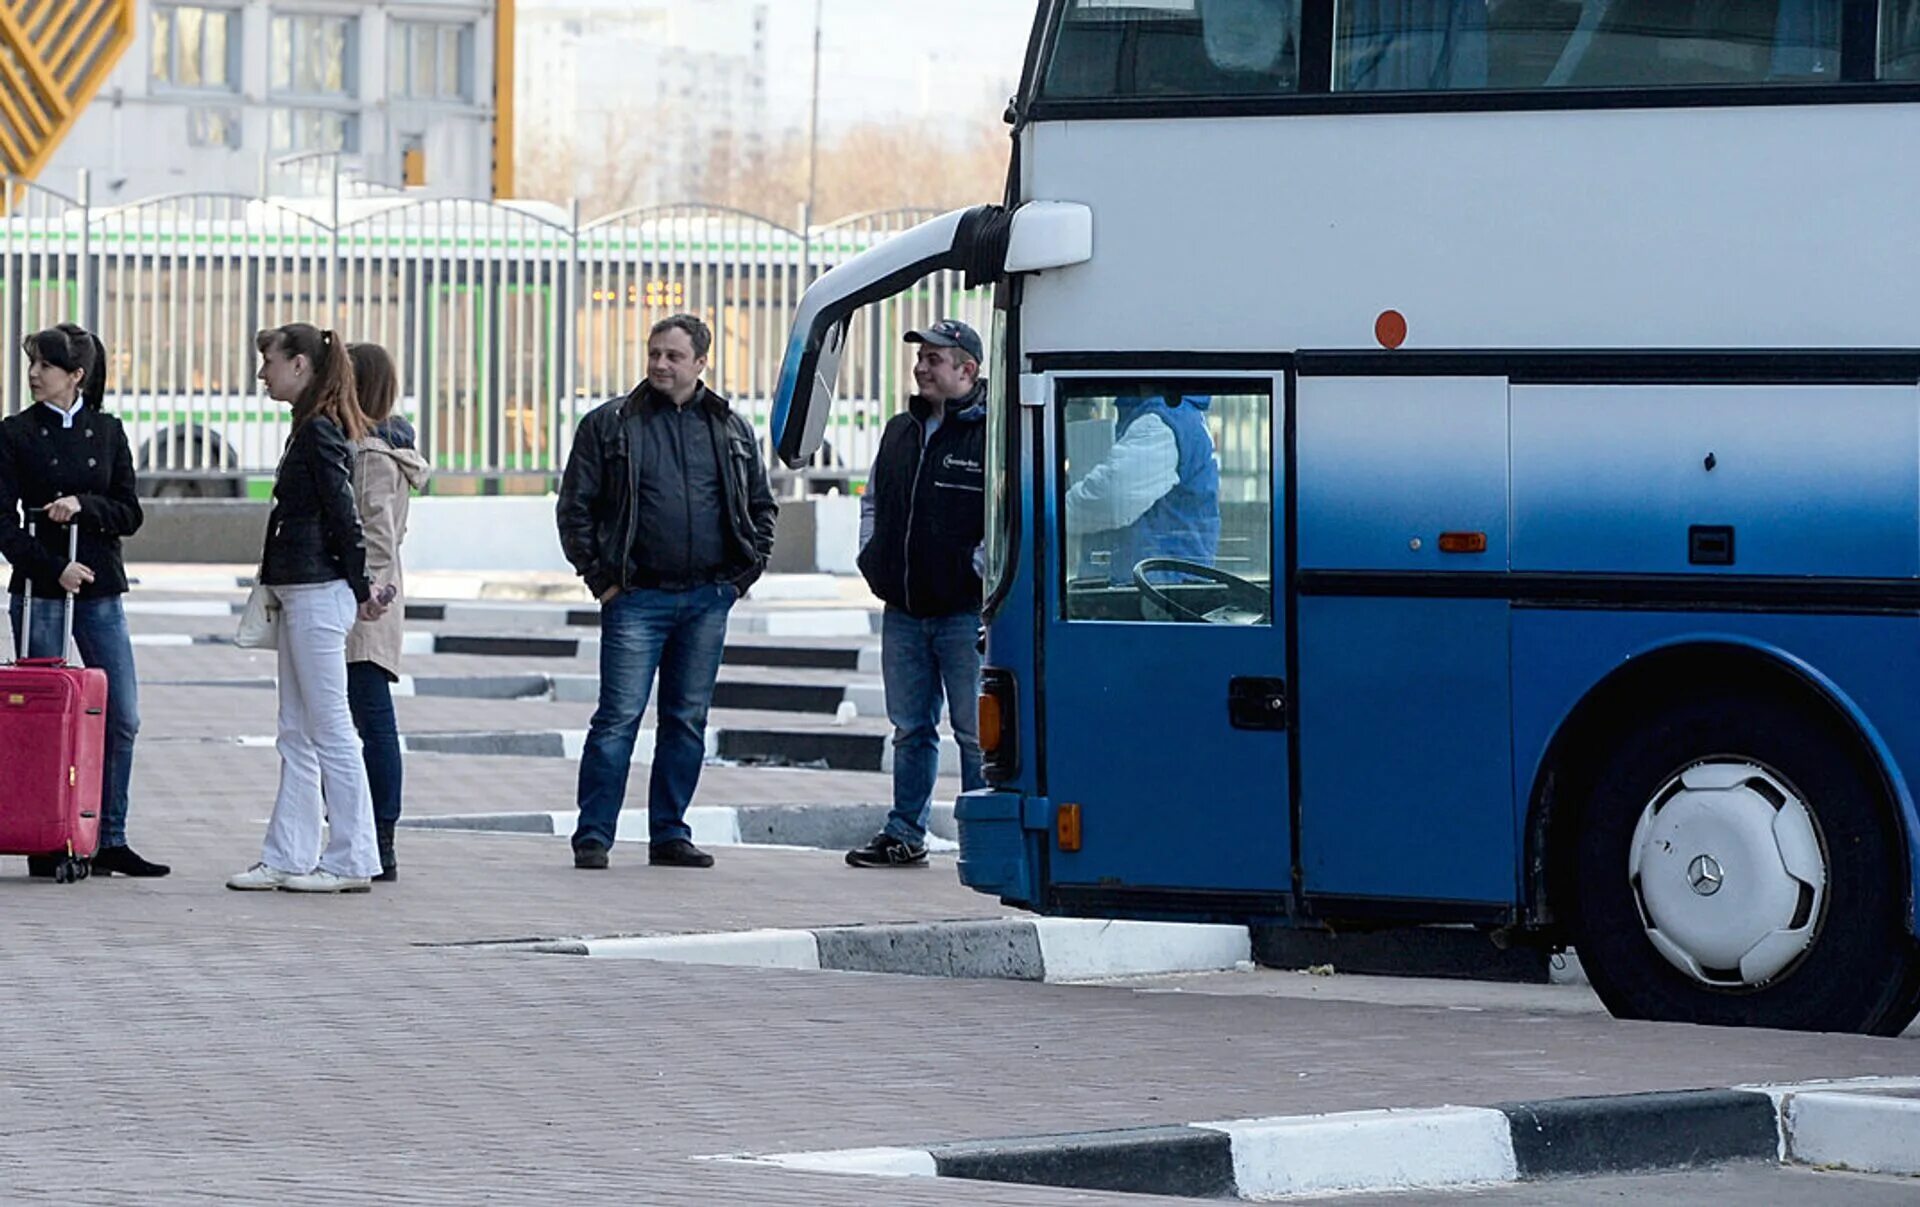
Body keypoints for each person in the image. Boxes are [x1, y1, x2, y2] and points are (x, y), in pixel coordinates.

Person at [556, 314, 777, 871]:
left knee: (686, 720)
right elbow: (574, 510)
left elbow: (760, 507)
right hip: (636, 598)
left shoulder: (729, 427)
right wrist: (602, 581)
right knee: (618, 718)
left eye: (673, 356)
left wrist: (739, 580)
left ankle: (670, 833)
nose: (660, 364)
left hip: (707, 599)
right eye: (654, 353)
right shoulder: (610, 424)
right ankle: (594, 835)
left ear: (701, 362)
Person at [0, 323, 168, 878]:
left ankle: (108, 834)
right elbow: (4, 522)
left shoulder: (107, 431)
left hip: (99, 589)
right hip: (41, 589)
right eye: (31, 364)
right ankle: (45, 836)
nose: (33, 375)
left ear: (76, 375)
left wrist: (83, 505)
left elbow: (130, 512)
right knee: (44, 717)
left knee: (121, 713)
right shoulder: (15, 434)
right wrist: (53, 567)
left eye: (45, 366)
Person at [227, 323, 388, 893]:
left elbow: (344, 515)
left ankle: (350, 858)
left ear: (300, 365)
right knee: (296, 729)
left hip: (319, 592)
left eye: (268, 361)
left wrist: (360, 584)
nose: (261, 373)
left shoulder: (319, 431)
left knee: (331, 728)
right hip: (301, 589)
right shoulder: (307, 427)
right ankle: (288, 855)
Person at [845, 318, 989, 868]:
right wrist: (872, 558)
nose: (921, 367)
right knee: (910, 729)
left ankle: (982, 838)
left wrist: (974, 572)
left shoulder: (991, 434)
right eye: (921, 357)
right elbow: (873, 502)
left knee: (975, 734)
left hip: (963, 614)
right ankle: (905, 832)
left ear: (967, 369)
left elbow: (1005, 519)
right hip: (903, 610)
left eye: (934, 358)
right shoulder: (899, 431)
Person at [344, 343, 430, 883]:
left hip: (366, 606)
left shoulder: (373, 455)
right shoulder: (376, 449)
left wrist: (368, 593)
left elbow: (377, 534)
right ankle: (369, 832)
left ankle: (379, 835)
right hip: (368, 598)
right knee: (359, 720)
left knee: (369, 720)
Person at [1065, 391, 1221, 584]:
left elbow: (1112, 500)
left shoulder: (1161, 422)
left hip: (1154, 592)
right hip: (1156, 584)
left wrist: (1045, 513)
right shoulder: (1177, 416)